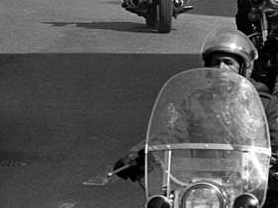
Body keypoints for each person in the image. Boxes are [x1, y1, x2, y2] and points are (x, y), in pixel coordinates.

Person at [113, 28, 278, 202]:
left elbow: (275, 139)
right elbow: (171, 133)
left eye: (228, 62)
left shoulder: (265, 104)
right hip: (201, 185)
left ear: (245, 68)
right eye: (215, 63)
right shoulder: (195, 102)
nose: (221, 68)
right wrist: (141, 155)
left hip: (250, 187)